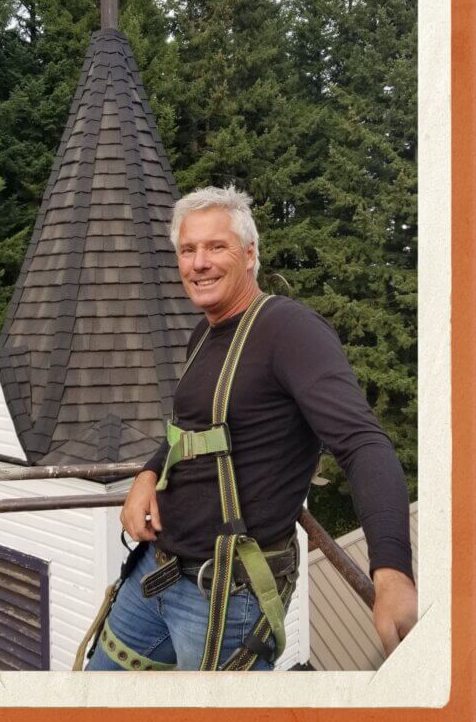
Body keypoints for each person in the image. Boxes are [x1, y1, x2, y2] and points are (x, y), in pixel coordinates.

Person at [84, 185, 417, 671]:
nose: (199, 263)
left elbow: (363, 443)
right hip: (155, 573)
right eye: (188, 250)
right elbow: (189, 427)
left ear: (249, 253)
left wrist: (391, 573)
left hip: (222, 595)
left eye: (216, 246)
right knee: (95, 710)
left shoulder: (289, 330)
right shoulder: (206, 331)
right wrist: (147, 475)